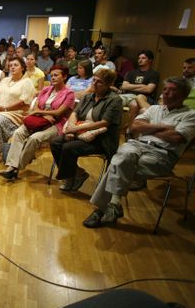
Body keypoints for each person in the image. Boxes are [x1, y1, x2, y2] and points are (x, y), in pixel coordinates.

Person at [83, 77, 195, 228]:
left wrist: (148, 127)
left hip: (161, 154)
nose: (166, 93)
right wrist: (164, 128)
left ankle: (106, 207)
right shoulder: (154, 109)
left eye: (172, 90)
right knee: (123, 157)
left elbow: (176, 137)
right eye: (165, 89)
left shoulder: (191, 115)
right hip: (137, 145)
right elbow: (134, 126)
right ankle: (111, 207)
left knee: (117, 164)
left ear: (183, 94)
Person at [50, 69, 123, 191]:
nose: (94, 83)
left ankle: (69, 177)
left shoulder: (114, 100)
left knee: (68, 148)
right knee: (55, 142)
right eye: (93, 80)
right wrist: (72, 128)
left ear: (108, 84)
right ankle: (77, 173)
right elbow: (75, 113)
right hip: (80, 132)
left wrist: (77, 128)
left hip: (101, 138)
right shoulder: (88, 97)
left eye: (99, 82)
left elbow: (104, 122)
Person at [0, 65, 75, 179]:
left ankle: (15, 168)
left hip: (56, 124)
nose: (53, 78)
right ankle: (12, 166)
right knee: (18, 133)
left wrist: (40, 112)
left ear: (64, 77)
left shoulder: (69, 94)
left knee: (34, 138)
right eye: (51, 75)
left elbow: (59, 113)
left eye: (56, 75)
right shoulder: (45, 90)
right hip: (39, 120)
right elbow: (34, 108)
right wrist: (44, 114)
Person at [116, 50, 160, 124]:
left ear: (150, 60)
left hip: (145, 97)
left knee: (134, 104)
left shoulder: (154, 73)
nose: (140, 60)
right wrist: (142, 86)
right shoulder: (131, 72)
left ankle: (129, 129)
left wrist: (131, 86)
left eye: (143, 58)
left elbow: (149, 89)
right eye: (139, 58)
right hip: (129, 96)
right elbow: (124, 86)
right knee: (114, 100)